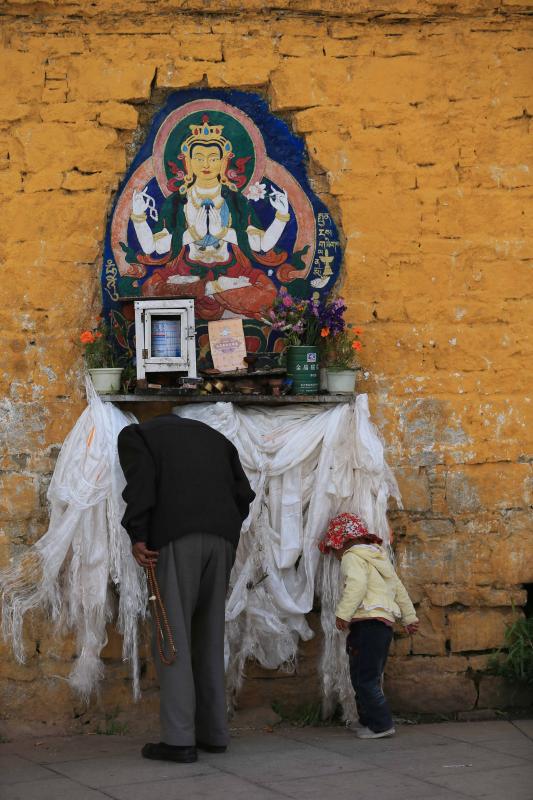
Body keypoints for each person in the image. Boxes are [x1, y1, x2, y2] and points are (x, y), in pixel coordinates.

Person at [117, 413, 255, 763]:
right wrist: (223, 534)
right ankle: (214, 733)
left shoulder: (135, 435)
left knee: (171, 636)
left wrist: (139, 535)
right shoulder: (216, 439)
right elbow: (243, 494)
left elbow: (141, 485)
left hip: (176, 539)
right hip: (221, 540)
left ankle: (179, 740)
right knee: (209, 636)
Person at [128, 116, 290, 320]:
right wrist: (139, 216)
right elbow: (153, 248)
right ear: (188, 162)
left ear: (223, 162)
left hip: (230, 273)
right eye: (199, 157)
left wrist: (281, 216)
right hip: (187, 271)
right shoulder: (177, 201)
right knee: (151, 289)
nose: (206, 163)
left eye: (213, 158)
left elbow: (262, 245)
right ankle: (208, 291)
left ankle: (208, 289)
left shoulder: (234, 200)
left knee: (268, 293)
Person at [318, 512, 419, 739]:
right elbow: (398, 589)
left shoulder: (351, 557)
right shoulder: (381, 559)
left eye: (334, 549)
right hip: (383, 626)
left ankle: (382, 724)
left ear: (344, 543)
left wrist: (343, 614)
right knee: (365, 676)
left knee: (363, 679)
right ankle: (368, 721)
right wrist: (409, 618)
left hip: (366, 624)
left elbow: (357, 584)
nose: (334, 555)